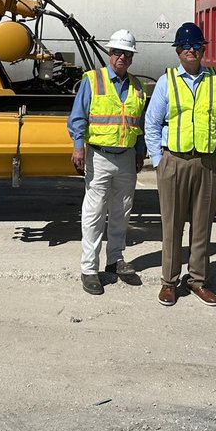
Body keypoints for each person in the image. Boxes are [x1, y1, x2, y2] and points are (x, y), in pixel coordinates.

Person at [144, 22, 216, 307]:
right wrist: (159, 162)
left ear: (203, 49)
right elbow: (152, 124)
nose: (190, 51)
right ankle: (169, 282)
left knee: (202, 225)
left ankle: (197, 280)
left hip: (208, 162)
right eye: (184, 46)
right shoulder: (166, 81)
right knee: (172, 225)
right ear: (178, 51)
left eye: (195, 46)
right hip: (174, 161)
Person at [67, 30, 147, 296]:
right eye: (116, 52)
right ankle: (89, 269)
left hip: (125, 157)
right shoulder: (93, 80)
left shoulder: (137, 87)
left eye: (126, 53)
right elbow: (78, 117)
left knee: (122, 212)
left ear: (132, 57)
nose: (121, 57)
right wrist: (78, 146)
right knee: (94, 213)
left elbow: (140, 124)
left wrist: (139, 152)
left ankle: (115, 259)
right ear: (109, 54)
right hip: (99, 155)